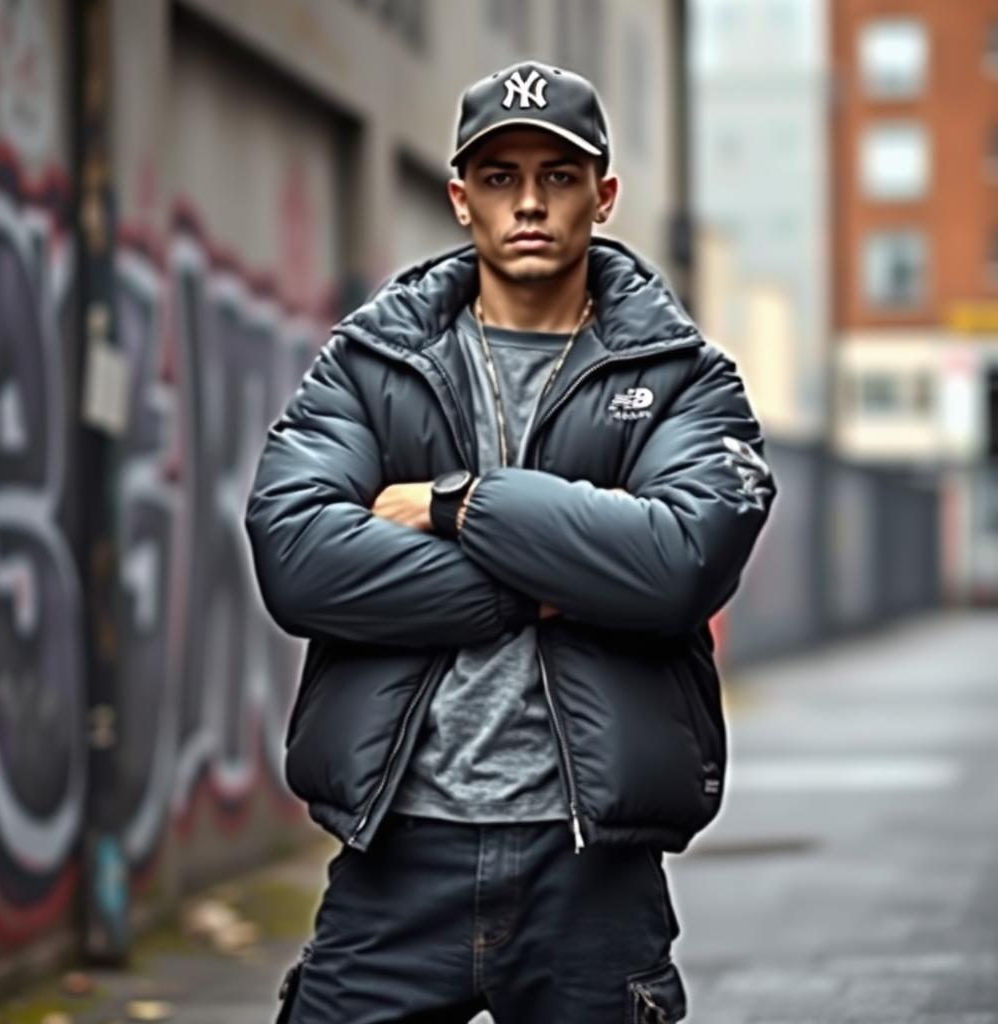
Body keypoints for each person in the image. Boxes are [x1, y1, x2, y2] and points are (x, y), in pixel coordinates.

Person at [246, 59, 775, 1024]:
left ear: (602, 195)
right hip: (396, 857)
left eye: (558, 177)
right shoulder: (372, 367)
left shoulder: (681, 380)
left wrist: (461, 503)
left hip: (592, 878)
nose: (529, 202)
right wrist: (554, 578)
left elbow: (678, 564)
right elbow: (297, 559)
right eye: (499, 178)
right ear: (460, 199)